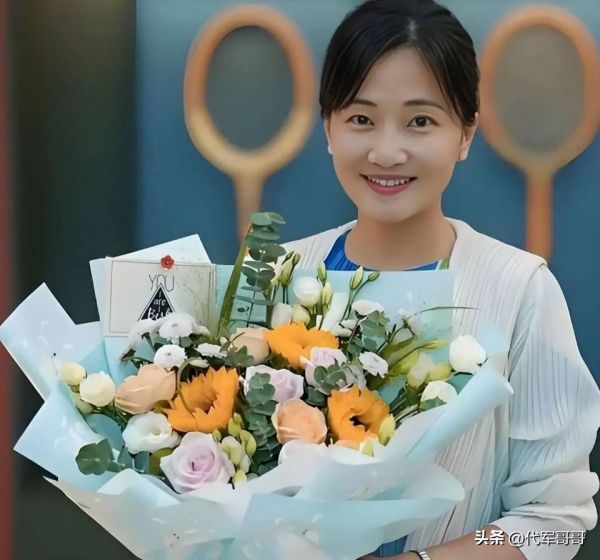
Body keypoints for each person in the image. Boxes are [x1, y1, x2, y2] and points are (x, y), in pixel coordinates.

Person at [281, 1, 600, 559]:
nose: (386, 151)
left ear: (465, 133)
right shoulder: (276, 276)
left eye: (420, 121)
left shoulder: (519, 290)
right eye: (361, 119)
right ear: (328, 126)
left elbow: (557, 523)